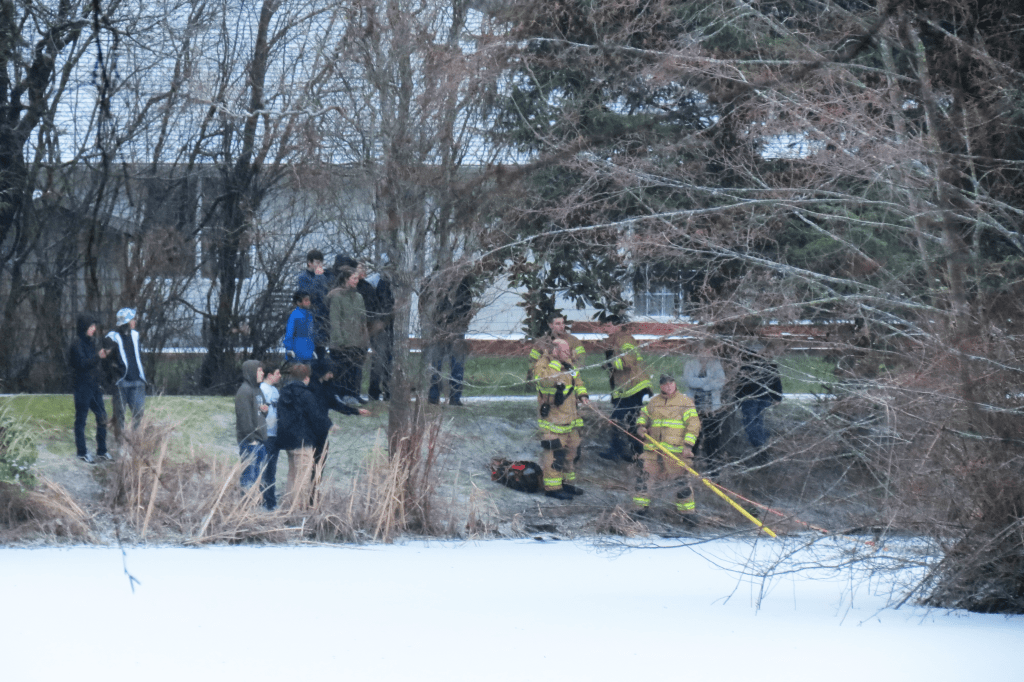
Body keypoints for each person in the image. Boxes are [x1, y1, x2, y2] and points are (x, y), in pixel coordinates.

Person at [634, 374, 701, 518]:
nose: (669, 386)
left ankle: (688, 514)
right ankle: (640, 511)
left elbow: (694, 425)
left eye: (671, 383)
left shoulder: (685, 402)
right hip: (652, 450)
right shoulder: (654, 402)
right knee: (643, 479)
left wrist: (688, 446)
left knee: (681, 482)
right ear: (661, 386)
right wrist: (640, 426)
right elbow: (643, 415)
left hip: (675, 452)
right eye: (665, 384)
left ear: (675, 384)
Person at [307, 357, 370, 503]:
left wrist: (355, 411)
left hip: (321, 431)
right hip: (311, 429)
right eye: (329, 372)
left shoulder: (326, 387)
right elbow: (314, 411)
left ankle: (314, 495)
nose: (331, 376)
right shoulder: (312, 387)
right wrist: (329, 424)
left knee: (319, 463)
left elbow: (335, 404)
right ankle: (307, 495)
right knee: (310, 464)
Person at [533, 338, 589, 500]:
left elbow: (577, 381)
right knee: (555, 454)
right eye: (565, 351)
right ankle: (552, 487)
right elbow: (545, 381)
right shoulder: (543, 364)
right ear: (555, 351)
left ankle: (566, 484)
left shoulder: (569, 363)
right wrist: (557, 363)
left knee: (571, 452)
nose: (570, 354)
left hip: (571, 419)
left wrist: (583, 395)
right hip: (553, 421)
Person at [276, 363, 332, 511]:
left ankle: (287, 504)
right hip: (303, 440)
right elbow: (316, 417)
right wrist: (329, 425)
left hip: (287, 440)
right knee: (303, 476)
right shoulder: (306, 395)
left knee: (292, 474)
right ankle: (299, 507)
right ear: (306, 378)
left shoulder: (283, 393)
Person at [598, 321, 652, 462]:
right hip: (626, 388)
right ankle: (631, 452)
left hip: (634, 387)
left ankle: (628, 452)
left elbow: (629, 360)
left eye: (609, 325)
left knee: (622, 420)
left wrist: (610, 364)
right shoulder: (614, 340)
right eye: (604, 326)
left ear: (618, 326)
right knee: (627, 420)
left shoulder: (624, 339)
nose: (605, 329)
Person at [424, 273, 474, 406]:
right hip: (440, 330)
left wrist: (458, 324)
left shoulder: (463, 286)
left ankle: (454, 397)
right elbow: (432, 306)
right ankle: (434, 396)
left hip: (457, 330)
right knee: (437, 364)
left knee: (456, 364)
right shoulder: (438, 284)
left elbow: (467, 307)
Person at [69, 314, 111, 464]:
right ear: (84, 327)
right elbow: (81, 365)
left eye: (94, 326)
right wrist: (98, 357)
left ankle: (102, 450)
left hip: (94, 387)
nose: (94, 329)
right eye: (91, 326)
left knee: (102, 417)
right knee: (81, 420)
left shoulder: (91, 343)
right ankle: (81, 452)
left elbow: (94, 365)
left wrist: (103, 358)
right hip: (82, 388)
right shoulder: (76, 345)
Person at [683, 342, 728, 476]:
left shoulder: (716, 365)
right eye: (702, 351)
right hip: (694, 408)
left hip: (712, 408)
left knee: (712, 438)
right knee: (693, 437)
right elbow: (690, 381)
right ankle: (688, 468)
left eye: (708, 351)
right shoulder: (690, 364)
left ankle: (712, 468)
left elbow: (720, 382)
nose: (705, 354)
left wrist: (704, 385)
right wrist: (709, 380)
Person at [327, 265, 370, 402]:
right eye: (354, 278)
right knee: (341, 371)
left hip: (357, 342)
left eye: (357, 278)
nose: (357, 281)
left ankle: (354, 395)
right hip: (341, 343)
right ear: (346, 279)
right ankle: (338, 396)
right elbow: (335, 319)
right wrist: (340, 340)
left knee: (355, 371)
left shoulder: (358, 297)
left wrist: (365, 340)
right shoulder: (336, 296)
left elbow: (363, 320)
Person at [103, 307, 147, 438]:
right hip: (121, 383)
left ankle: (135, 442)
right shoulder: (112, 338)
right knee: (119, 415)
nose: (135, 322)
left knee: (139, 413)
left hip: (137, 381)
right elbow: (106, 361)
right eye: (133, 319)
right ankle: (121, 445)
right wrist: (113, 375)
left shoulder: (135, 336)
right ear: (127, 321)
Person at [735, 344, 783, 462]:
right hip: (749, 397)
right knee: (754, 422)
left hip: (761, 397)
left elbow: (775, 381)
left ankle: (760, 447)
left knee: (752, 422)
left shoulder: (767, 365)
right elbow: (739, 383)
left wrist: (777, 396)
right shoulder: (745, 366)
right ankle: (763, 443)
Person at [235, 360, 267, 495]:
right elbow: (244, 419)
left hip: (260, 440)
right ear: (252, 372)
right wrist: (251, 439)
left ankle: (255, 504)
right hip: (250, 442)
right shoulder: (244, 391)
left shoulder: (258, 390)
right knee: (248, 476)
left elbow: (260, 413)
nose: (263, 373)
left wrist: (265, 410)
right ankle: (245, 507)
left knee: (258, 477)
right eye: (260, 370)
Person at [365, 267, 395, 401]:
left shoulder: (394, 283)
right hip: (380, 327)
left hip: (388, 327)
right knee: (379, 361)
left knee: (388, 361)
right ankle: (375, 392)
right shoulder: (376, 283)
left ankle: (386, 392)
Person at [297, 249, 330, 358]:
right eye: (317, 262)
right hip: (310, 318)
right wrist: (318, 277)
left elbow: (325, 294)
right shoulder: (303, 278)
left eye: (321, 262)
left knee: (320, 351)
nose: (319, 265)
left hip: (321, 319)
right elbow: (310, 294)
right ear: (309, 262)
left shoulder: (323, 277)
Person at [258, 363, 283, 510]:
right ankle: (263, 500)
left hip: (274, 435)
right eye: (277, 373)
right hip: (264, 434)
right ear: (270, 375)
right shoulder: (261, 390)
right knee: (264, 469)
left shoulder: (275, 391)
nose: (280, 376)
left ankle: (271, 501)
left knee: (272, 470)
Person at [283, 291, 317, 364]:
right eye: (306, 300)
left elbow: (311, 334)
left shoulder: (309, 315)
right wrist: (289, 349)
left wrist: (312, 350)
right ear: (299, 302)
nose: (309, 302)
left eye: (309, 300)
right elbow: (289, 333)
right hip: (296, 353)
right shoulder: (294, 315)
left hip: (308, 352)